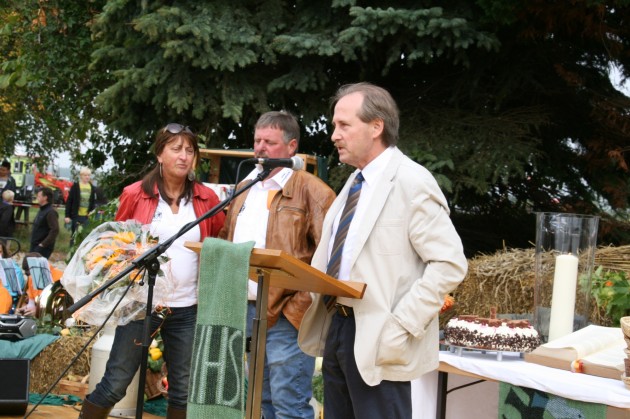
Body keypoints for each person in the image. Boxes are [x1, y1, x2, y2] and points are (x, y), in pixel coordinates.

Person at [298, 83, 468, 418]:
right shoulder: (354, 183)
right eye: (335, 125)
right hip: (340, 328)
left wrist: (401, 325)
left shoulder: (412, 182)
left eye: (344, 125)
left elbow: (449, 264)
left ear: (377, 126)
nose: (334, 135)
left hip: (380, 336)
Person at [80, 123, 225, 419]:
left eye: (189, 150)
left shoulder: (206, 198)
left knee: (183, 389)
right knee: (116, 383)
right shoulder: (136, 194)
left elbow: (218, 239)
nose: (184, 156)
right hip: (141, 304)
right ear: (160, 154)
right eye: (176, 149)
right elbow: (117, 245)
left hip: (187, 307)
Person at [218, 111, 336, 419]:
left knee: (290, 405)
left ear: (291, 146)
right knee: (262, 401)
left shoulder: (313, 190)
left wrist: (299, 303)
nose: (260, 148)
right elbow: (226, 238)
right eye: (257, 141)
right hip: (248, 310)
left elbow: (330, 256)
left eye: (269, 142)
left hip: (288, 312)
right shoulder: (244, 187)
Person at [15, 252, 62, 317]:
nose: (32, 277)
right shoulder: (31, 278)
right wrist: (25, 310)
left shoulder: (59, 277)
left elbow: (62, 308)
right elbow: (31, 304)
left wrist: (37, 312)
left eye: (32, 273)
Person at [64, 167, 97, 246]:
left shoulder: (91, 187)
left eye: (88, 175)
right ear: (81, 176)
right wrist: (67, 216)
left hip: (86, 217)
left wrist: (91, 212)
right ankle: (72, 254)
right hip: (76, 216)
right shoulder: (75, 186)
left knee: (84, 237)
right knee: (74, 236)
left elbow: (92, 202)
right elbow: (69, 201)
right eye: (85, 175)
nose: (87, 177)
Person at [29, 187, 59, 259]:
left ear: (45, 197)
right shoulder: (42, 210)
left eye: (39, 196)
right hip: (35, 244)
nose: (37, 198)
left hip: (42, 247)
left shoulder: (51, 212)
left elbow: (55, 230)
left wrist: (42, 244)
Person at [0, 240, 26, 314]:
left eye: (0, 252)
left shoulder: (14, 269)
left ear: (3, 253)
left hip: (5, 303)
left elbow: (14, 294)